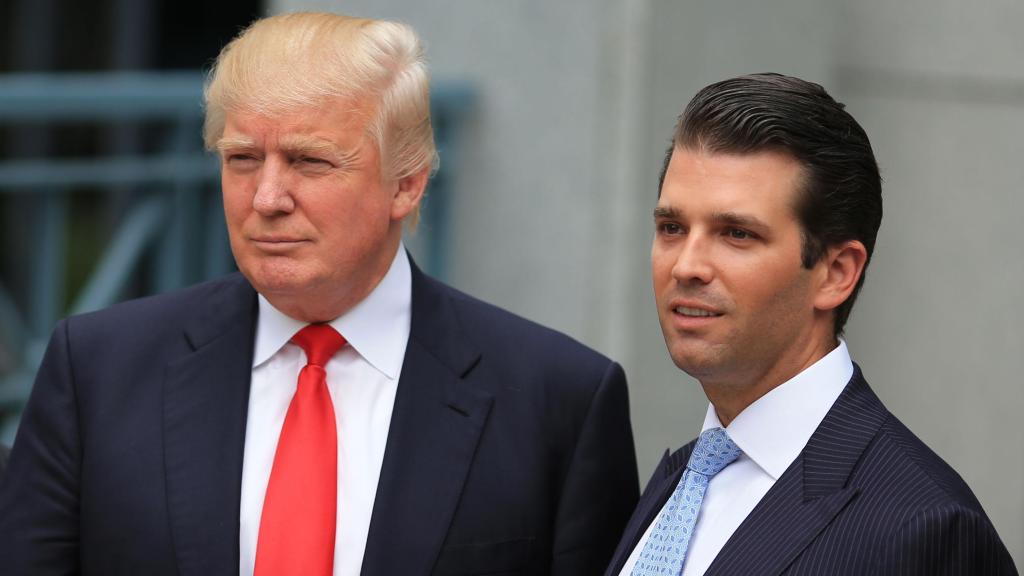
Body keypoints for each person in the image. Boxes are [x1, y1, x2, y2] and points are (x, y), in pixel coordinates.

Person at [0, 12, 639, 576]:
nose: (267, 198)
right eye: (242, 159)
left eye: (310, 162)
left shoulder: (558, 400)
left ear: (407, 184)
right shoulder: (98, 370)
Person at [605, 73, 1017, 575]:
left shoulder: (924, 527)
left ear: (836, 273)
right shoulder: (684, 480)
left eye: (736, 234)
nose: (686, 265)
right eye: (672, 227)